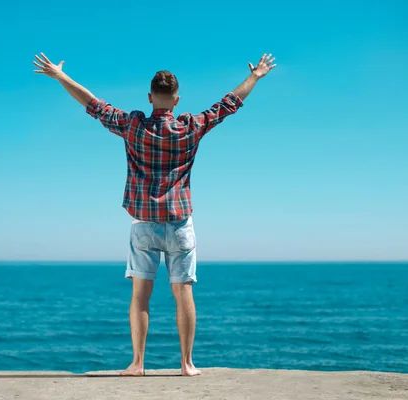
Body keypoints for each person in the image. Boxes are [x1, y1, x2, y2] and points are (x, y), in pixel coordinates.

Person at [33, 53, 276, 376]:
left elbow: (92, 104)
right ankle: (187, 364)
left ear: (150, 98)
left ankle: (137, 363)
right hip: (179, 224)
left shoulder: (133, 125)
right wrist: (256, 76)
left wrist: (60, 77)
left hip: (144, 224)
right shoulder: (191, 126)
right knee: (183, 292)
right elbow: (229, 104)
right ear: (176, 100)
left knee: (140, 296)